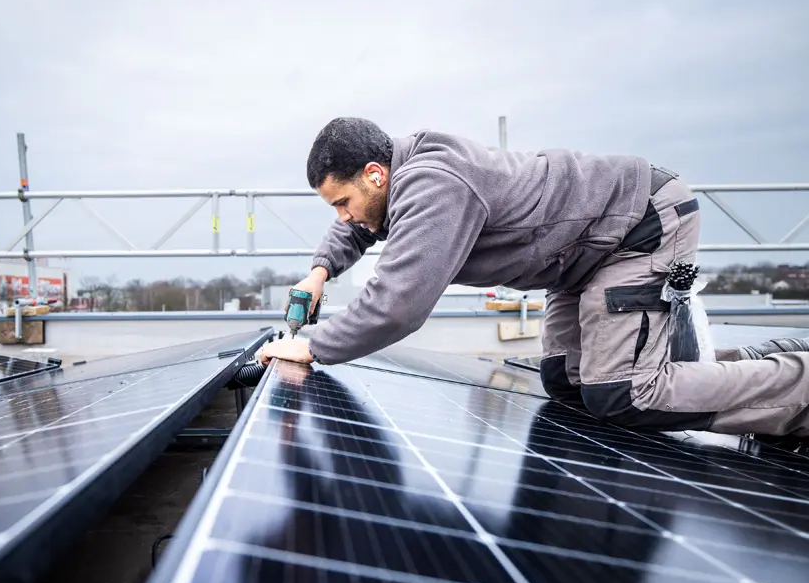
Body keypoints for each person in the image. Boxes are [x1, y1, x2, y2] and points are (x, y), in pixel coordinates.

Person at [257, 116, 809, 444]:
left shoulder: (433, 186)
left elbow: (398, 305)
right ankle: (768, 364)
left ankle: (798, 382)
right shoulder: (398, 177)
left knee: (623, 393)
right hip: (583, 255)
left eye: (343, 202)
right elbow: (364, 226)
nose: (343, 217)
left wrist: (312, 345)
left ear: (375, 174)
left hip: (637, 226)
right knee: (567, 383)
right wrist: (319, 271)